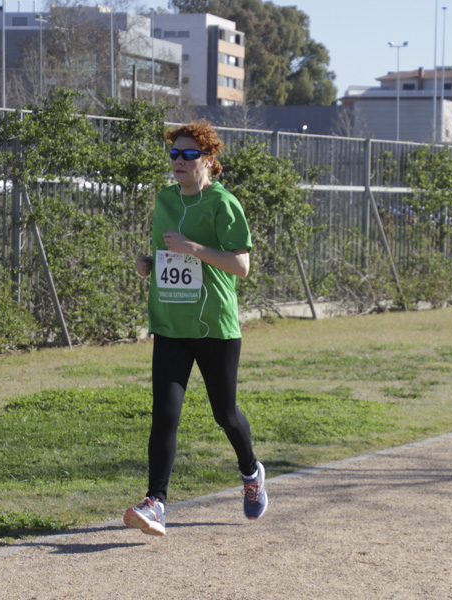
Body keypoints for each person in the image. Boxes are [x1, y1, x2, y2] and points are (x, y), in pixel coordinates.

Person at [123, 121, 268, 536]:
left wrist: (193, 249)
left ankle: (251, 472)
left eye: (188, 155)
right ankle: (156, 503)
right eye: (174, 155)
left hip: (215, 327)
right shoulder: (165, 198)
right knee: (164, 414)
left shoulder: (223, 202)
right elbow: (166, 258)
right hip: (171, 322)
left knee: (225, 414)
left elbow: (241, 265)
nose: (179, 163)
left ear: (208, 160)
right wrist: (149, 265)